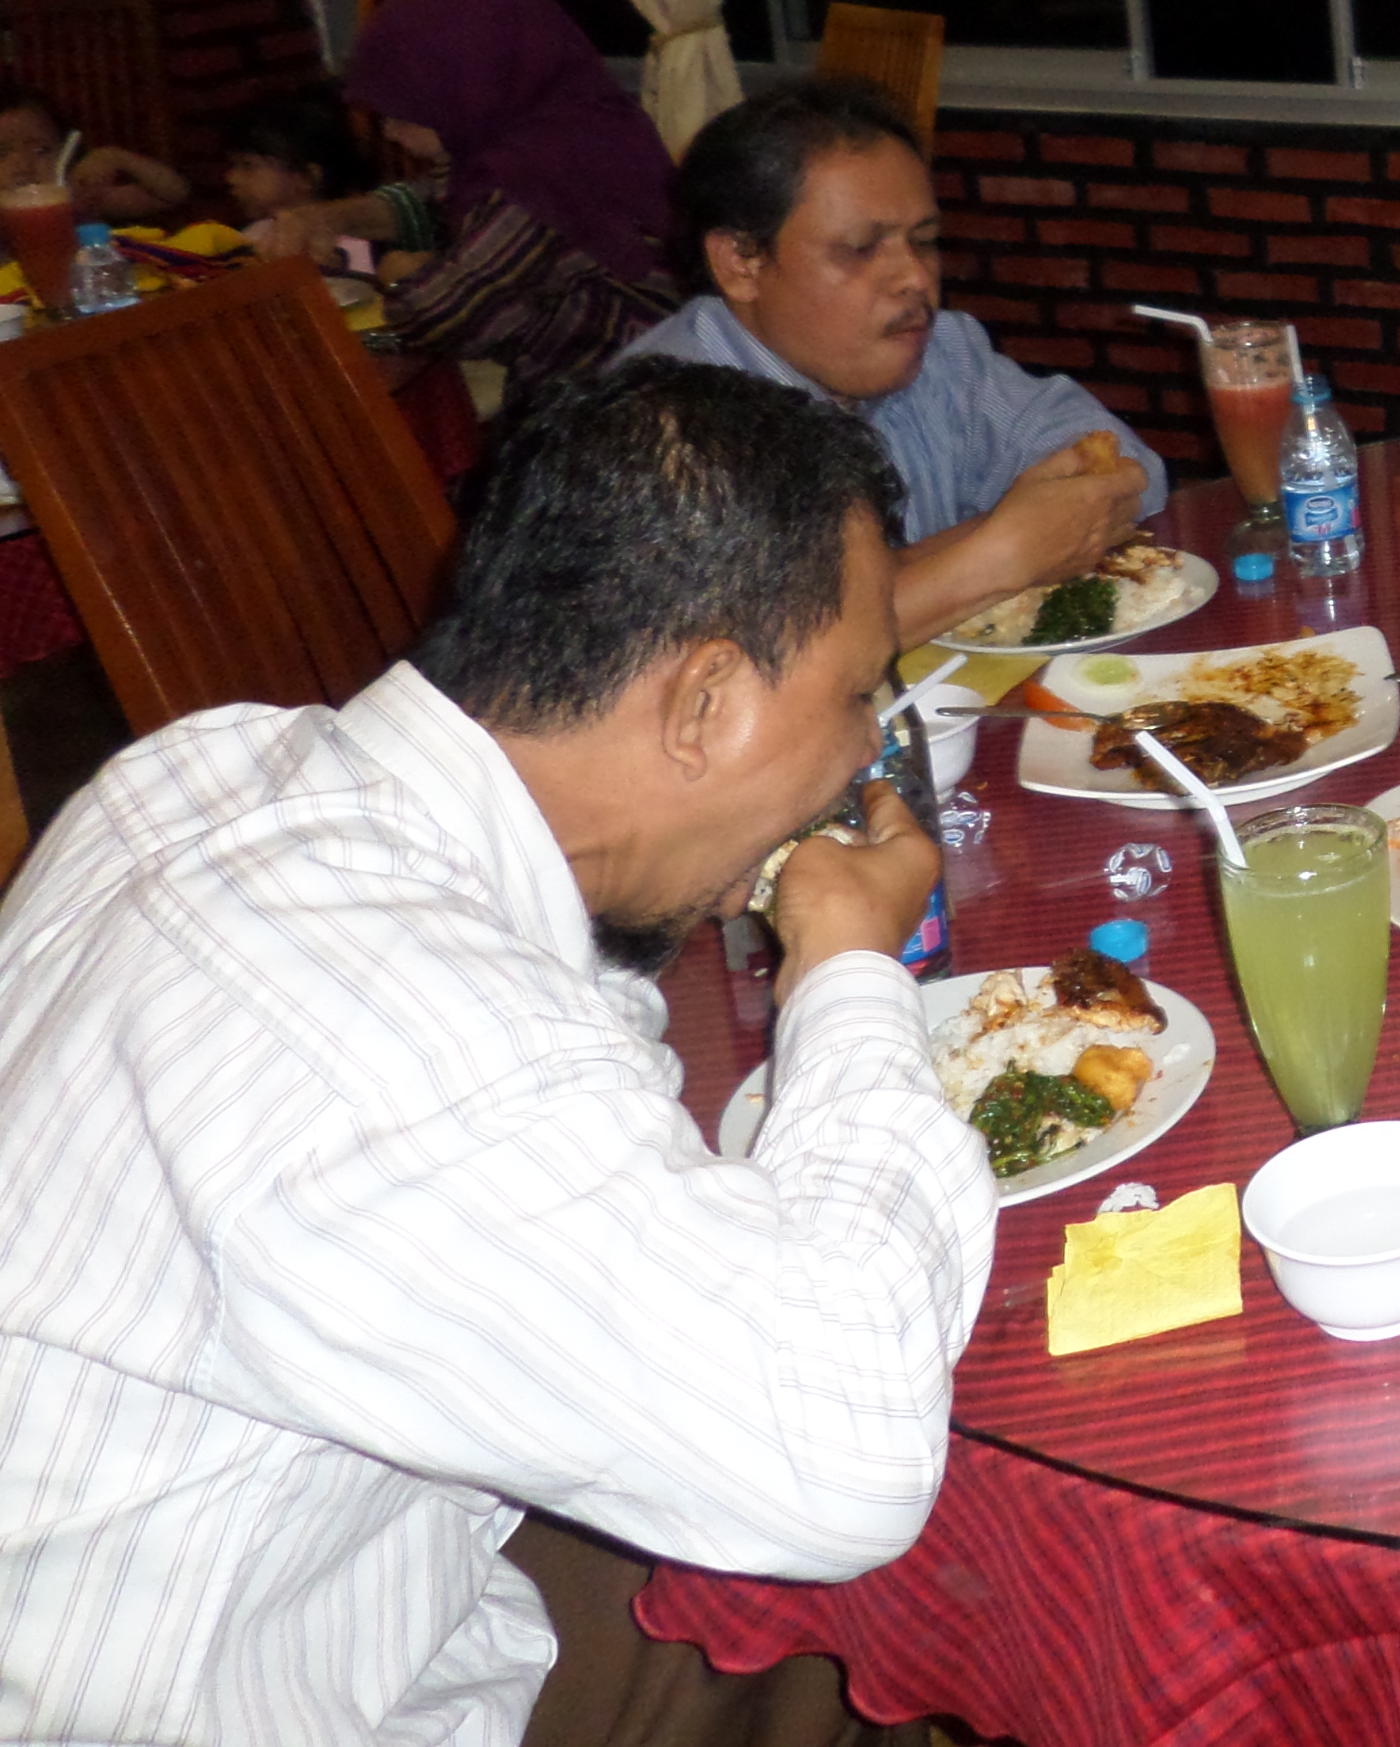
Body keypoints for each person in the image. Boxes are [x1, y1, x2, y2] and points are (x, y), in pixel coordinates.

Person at [0, 360, 994, 1744]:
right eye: (852, 699)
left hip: (360, 1583)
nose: (855, 767)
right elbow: (845, 1457)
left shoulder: (209, 768)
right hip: (237, 1699)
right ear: (704, 700)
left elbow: (542, 1058)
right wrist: (845, 970)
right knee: (941, 1625)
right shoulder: (404, 1038)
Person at [626, 76, 1163, 643]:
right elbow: (747, 662)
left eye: (925, 241)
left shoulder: (937, 352)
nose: (914, 278)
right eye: (861, 249)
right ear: (740, 262)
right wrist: (1000, 553)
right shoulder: (659, 426)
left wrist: (1014, 535)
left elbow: (1127, 463)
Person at [248, 0, 679, 404]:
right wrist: (332, 217)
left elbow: (437, 315)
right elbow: (436, 196)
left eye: (405, 110)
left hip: (629, 401)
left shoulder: (530, 179)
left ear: (465, 82)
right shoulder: (572, 117)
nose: (391, 131)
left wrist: (399, 274)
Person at [0, 81, 186, 224]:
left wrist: (115, 157)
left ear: (67, 153)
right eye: (1, 155)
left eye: (41, 150)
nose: (23, 166)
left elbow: (170, 195)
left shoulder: (79, 199)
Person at [219, 85, 368, 227]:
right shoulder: (250, 240)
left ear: (307, 177)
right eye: (232, 165)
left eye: (248, 165)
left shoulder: (353, 243)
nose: (231, 178)